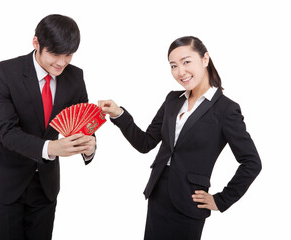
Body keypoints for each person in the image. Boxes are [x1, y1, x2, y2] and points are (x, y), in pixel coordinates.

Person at [99, 36, 262, 240]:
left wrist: (221, 200)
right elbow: (145, 143)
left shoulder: (226, 109)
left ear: (205, 59)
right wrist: (118, 114)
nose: (180, 72)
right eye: (173, 66)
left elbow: (252, 163)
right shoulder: (172, 100)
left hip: (189, 202)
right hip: (158, 196)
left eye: (186, 62)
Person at [0, 14, 96, 240]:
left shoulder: (75, 77)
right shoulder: (3, 73)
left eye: (68, 55)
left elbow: (82, 125)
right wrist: (50, 148)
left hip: (45, 185)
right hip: (4, 181)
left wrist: (89, 146)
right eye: (54, 54)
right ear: (36, 43)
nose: (62, 62)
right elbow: (7, 133)